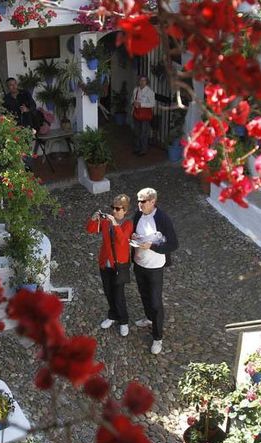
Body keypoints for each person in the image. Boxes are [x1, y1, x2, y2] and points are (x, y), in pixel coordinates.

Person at [131, 187, 178, 355]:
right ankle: (148, 318)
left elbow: (173, 244)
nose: (139, 204)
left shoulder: (162, 218)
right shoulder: (138, 214)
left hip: (155, 266)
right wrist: (134, 237)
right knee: (143, 294)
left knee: (156, 302)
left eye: (142, 201)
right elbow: (134, 232)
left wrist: (152, 245)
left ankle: (158, 338)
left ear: (152, 201)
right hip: (139, 263)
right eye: (138, 200)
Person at [86, 194, 133, 337]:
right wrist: (94, 219)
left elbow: (122, 240)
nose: (114, 211)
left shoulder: (128, 224)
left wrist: (115, 224)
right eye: (113, 208)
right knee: (108, 291)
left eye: (118, 209)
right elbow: (91, 230)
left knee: (119, 295)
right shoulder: (106, 222)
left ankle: (123, 321)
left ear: (125, 210)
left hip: (119, 265)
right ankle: (112, 315)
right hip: (105, 263)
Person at [131, 75, 155, 156]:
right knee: (136, 132)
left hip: (145, 115)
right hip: (136, 113)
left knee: (144, 133)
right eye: (141, 80)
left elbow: (152, 104)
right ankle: (137, 148)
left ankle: (143, 149)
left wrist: (141, 104)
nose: (142, 82)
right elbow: (132, 99)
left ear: (147, 82)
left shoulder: (150, 92)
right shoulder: (136, 90)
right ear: (139, 81)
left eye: (144, 80)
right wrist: (134, 103)